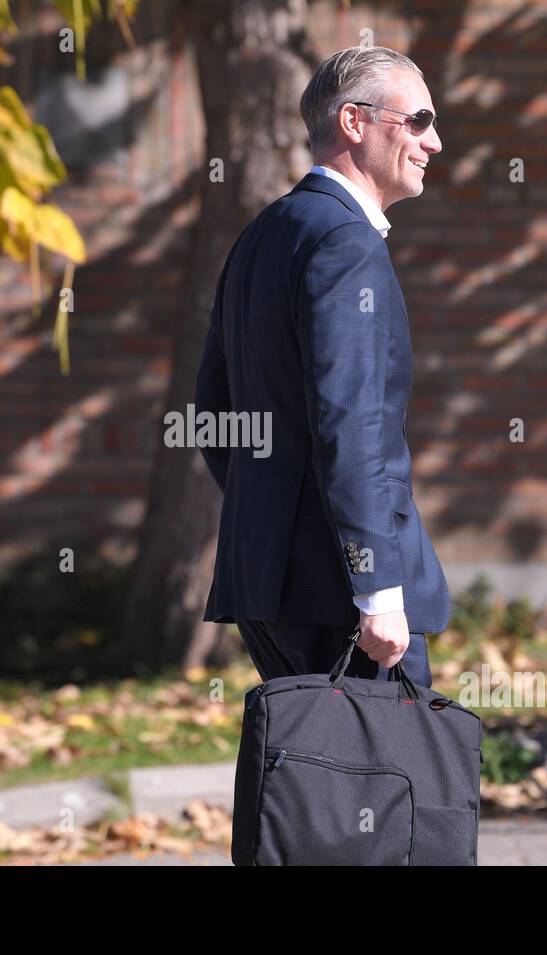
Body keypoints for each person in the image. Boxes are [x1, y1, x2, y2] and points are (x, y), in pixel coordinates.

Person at [195, 46, 449, 686]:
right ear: (355, 122)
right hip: (343, 594)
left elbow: (214, 414)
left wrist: (274, 512)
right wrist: (377, 589)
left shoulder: (266, 232)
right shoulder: (345, 242)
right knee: (398, 780)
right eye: (417, 121)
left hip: (272, 581)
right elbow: (352, 421)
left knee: (312, 783)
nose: (435, 142)